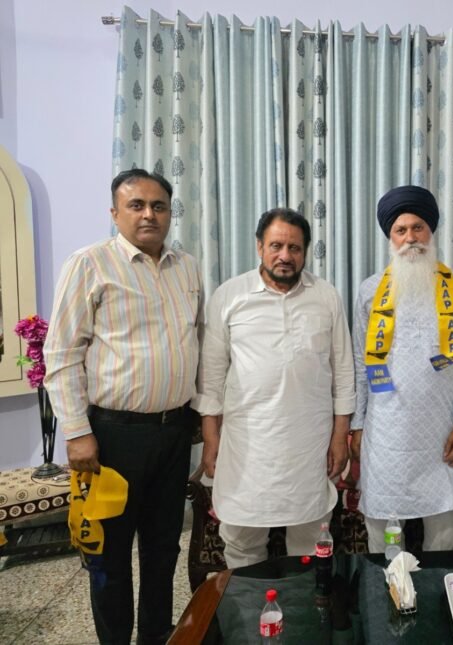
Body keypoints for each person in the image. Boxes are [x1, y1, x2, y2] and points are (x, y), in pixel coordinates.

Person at [43, 169, 202, 645]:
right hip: (113, 436)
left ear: (170, 213)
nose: (149, 214)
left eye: (159, 206)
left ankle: (155, 635)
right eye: (137, 205)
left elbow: (194, 341)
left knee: (163, 548)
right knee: (109, 555)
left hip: (174, 432)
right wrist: (76, 431)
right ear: (115, 213)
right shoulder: (90, 264)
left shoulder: (187, 267)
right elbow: (62, 353)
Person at [195, 208, 355, 568]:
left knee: (310, 540)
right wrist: (211, 438)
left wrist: (339, 436)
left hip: (309, 445)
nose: (285, 255)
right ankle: (249, 603)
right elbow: (211, 377)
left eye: (294, 248)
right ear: (259, 247)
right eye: (276, 246)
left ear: (306, 251)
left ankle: (306, 602)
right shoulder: (229, 296)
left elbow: (344, 372)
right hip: (247, 447)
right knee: (242, 541)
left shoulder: (326, 296)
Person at [351, 186, 453, 552]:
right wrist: (357, 425)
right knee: (383, 544)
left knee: (444, 541)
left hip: (443, 437)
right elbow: (361, 366)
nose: (411, 238)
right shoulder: (370, 292)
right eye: (401, 230)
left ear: (431, 232)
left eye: (418, 228)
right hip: (385, 438)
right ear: (390, 238)